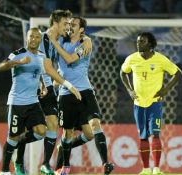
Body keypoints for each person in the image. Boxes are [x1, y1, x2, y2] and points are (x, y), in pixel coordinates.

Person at [14, 9, 92, 175]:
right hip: (32, 85)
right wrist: (64, 84)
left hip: (48, 86)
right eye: (65, 24)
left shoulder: (59, 41)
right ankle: (19, 161)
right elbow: (38, 64)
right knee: (29, 128)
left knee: (52, 124)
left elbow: (56, 66)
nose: (68, 27)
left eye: (70, 24)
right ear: (55, 23)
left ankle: (45, 164)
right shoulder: (40, 38)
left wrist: (55, 83)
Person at [0, 27, 81, 175]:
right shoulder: (18, 54)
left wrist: (43, 84)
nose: (34, 40)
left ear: (40, 40)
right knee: (12, 137)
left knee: (41, 131)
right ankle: (4, 171)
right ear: (27, 39)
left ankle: (19, 145)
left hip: (33, 102)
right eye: (31, 37)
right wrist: (18, 62)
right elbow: (0, 67)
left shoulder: (42, 56)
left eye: (37, 37)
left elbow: (45, 72)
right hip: (17, 102)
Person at [48, 16, 114, 175]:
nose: (70, 26)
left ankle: (106, 164)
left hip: (85, 92)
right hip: (66, 94)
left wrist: (55, 42)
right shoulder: (60, 41)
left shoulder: (85, 43)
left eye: (74, 24)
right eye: (68, 23)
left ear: (81, 29)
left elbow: (70, 60)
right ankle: (65, 166)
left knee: (93, 130)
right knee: (67, 133)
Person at [120, 32, 182, 175]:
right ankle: (146, 169)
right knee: (142, 136)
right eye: (137, 41)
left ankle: (157, 169)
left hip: (154, 103)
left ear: (150, 44)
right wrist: (130, 90)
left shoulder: (160, 59)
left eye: (142, 41)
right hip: (138, 103)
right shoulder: (132, 59)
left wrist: (165, 90)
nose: (138, 43)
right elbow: (123, 72)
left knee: (155, 134)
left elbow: (178, 73)